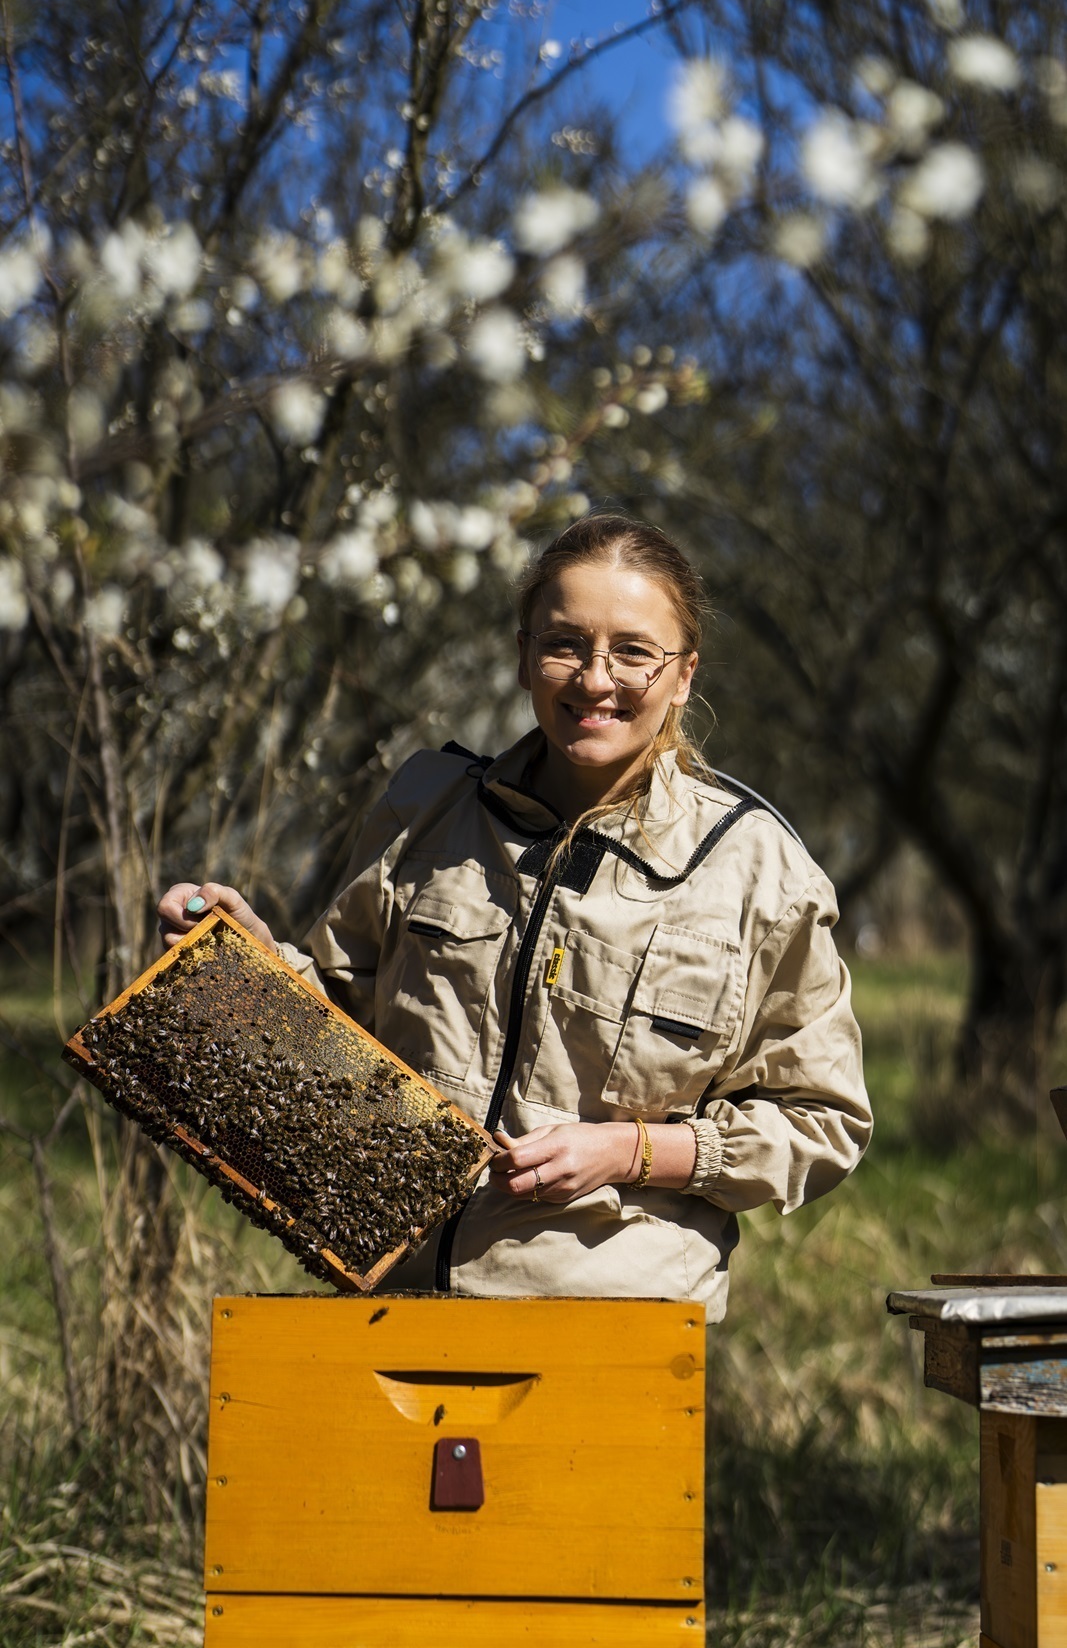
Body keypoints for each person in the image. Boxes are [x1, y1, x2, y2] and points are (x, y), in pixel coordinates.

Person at [158, 514, 872, 1317]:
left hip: (616, 1321)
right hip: (392, 1297)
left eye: (633, 651)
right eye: (563, 643)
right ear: (524, 655)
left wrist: (628, 1151)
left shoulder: (760, 872)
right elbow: (339, 1028)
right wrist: (252, 964)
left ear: (683, 675)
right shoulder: (425, 806)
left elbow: (820, 1124)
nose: (594, 680)